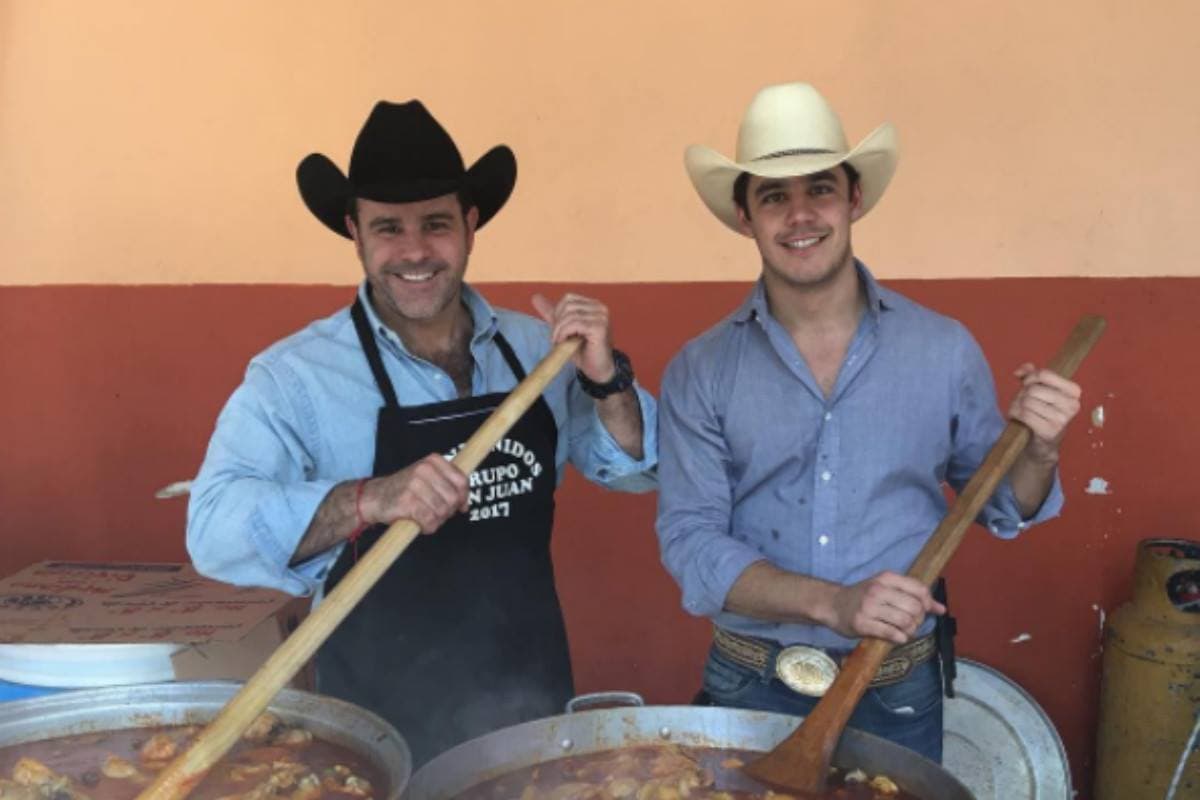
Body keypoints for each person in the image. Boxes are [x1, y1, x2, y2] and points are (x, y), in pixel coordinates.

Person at [186, 100, 657, 765]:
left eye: (436, 223)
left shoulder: (539, 351)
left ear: (470, 225)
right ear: (355, 232)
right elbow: (212, 529)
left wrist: (608, 380)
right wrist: (368, 500)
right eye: (388, 228)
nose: (414, 251)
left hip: (529, 714)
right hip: (377, 736)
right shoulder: (296, 377)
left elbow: (636, 470)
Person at [655, 82, 1082, 762]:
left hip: (895, 687)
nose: (800, 215)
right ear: (745, 217)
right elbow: (692, 546)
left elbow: (1004, 505)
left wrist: (1043, 450)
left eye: (819, 189)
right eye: (773, 195)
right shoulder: (701, 371)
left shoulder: (942, 349)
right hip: (749, 680)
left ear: (853, 199)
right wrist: (834, 603)